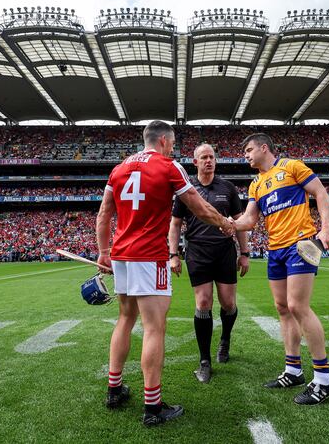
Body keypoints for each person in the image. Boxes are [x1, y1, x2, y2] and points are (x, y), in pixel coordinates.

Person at [96, 121, 235, 426]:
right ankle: (153, 406)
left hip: (121, 254)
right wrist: (226, 224)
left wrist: (104, 252)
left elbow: (105, 213)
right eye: (172, 143)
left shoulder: (119, 168)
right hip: (149, 256)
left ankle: (114, 389)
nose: (173, 148)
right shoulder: (169, 166)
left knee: (125, 319)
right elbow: (198, 207)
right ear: (162, 140)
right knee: (154, 328)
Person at [231, 132, 329, 406]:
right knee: (282, 307)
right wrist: (228, 224)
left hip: (301, 245)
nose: (246, 155)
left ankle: (325, 379)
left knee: (298, 306)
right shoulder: (256, 184)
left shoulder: (292, 167)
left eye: (249, 150)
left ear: (264, 148)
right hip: (275, 250)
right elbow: (249, 219)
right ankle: (293, 371)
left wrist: (326, 228)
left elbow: (320, 192)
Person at [168, 143, 250, 384]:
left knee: (229, 303)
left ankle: (225, 339)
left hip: (224, 252)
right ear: (195, 162)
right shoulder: (186, 190)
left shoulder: (228, 188)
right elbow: (174, 224)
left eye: (211, 157)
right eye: (203, 157)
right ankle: (204, 361)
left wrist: (244, 252)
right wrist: (173, 254)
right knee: (203, 302)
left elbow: (239, 222)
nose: (208, 161)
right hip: (197, 252)